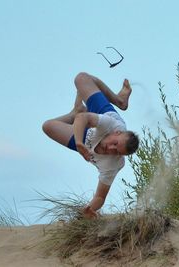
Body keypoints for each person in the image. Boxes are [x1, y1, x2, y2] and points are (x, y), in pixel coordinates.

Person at [42, 72, 139, 219]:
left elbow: (100, 196)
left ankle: (74, 112)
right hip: (94, 126)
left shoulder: (113, 165)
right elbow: (83, 119)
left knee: (48, 126)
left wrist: (89, 209)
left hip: (86, 141)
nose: (111, 149)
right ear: (117, 133)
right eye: (114, 144)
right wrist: (80, 143)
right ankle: (120, 100)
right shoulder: (111, 124)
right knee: (81, 78)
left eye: (116, 151)